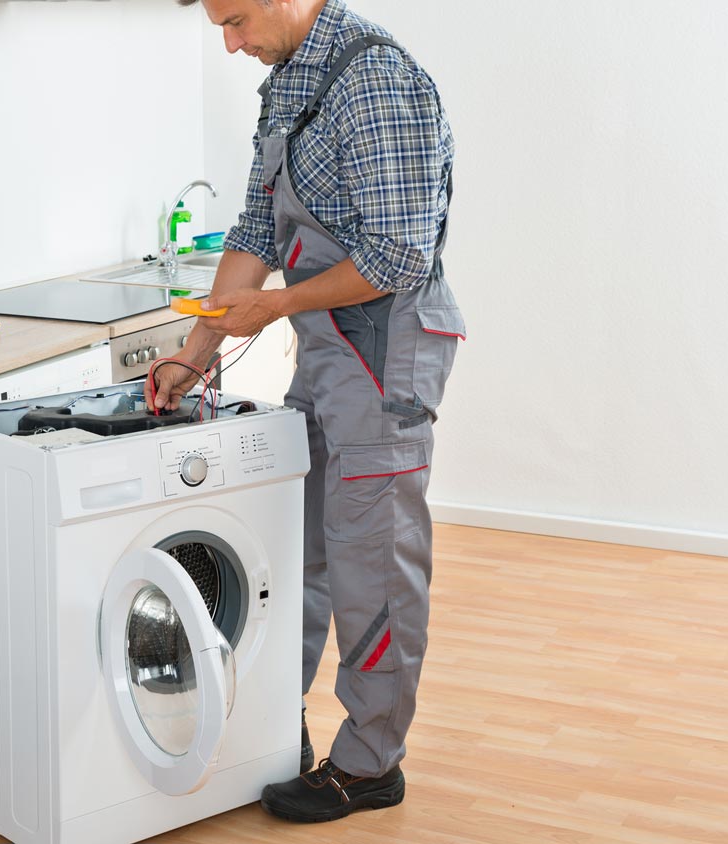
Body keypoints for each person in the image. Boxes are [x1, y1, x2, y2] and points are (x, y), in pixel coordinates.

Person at [151, 0, 463, 825]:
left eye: (237, 18)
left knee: (373, 565)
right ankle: (266, 732)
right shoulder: (289, 80)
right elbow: (256, 226)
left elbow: (399, 253)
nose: (230, 42)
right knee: (296, 555)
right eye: (219, 25)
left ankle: (370, 764)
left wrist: (278, 304)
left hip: (385, 352)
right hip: (329, 351)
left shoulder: (377, 81)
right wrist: (197, 351)